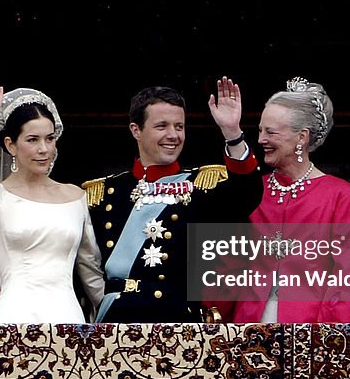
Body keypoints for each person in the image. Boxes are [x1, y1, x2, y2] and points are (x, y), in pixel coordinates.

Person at [83, 77, 261, 323]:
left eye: (179, 126)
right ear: (136, 130)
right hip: (115, 322)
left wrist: (232, 133)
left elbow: (246, 194)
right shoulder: (104, 192)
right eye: (162, 126)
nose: (173, 135)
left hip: (176, 324)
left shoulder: (202, 185)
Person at [0, 67, 104, 323]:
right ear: (10, 145)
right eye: (32, 140)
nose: (44, 149)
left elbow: (91, 273)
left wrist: (112, 322)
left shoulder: (76, 196)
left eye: (50, 139)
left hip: (69, 321)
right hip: (13, 319)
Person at [210, 77, 350, 324]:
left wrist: (326, 341)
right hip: (247, 330)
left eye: (271, 132)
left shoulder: (341, 196)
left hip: (312, 335)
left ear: (302, 138)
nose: (261, 139)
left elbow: (346, 279)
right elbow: (228, 266)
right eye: (261, 131)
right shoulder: (255, 191)